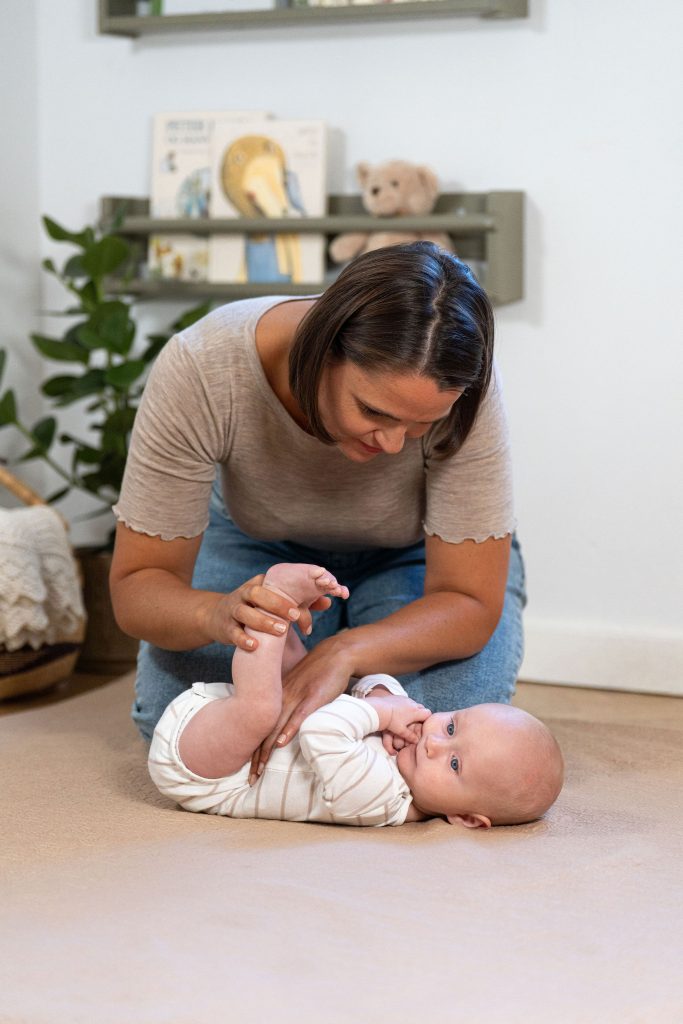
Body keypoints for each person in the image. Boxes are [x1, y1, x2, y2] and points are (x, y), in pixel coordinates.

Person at [110, 242, 527, 766]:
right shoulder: (204, 365)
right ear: (321, 345)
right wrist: (217, 613)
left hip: (415, 557)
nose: (395, 445)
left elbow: (468, 599)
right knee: (181, 723)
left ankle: (339, 648)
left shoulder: (466, 392)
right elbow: (138, 586)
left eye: (422, 425)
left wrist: (345, 651)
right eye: (373, 410)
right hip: (253, 545)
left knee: (440, 727)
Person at [148, 562, 562, 829]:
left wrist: (382, 713)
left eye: (455, 763)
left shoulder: (382, 799)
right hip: (228, 736)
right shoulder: (413, 750)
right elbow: (367, 694)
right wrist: (385, 694)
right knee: (301, 681)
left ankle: (273, 601)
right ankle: (285, 609)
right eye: (451, 724)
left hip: (207, 772)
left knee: (263, 708)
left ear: (466, 818)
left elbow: (321, 730)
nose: (434, 742)